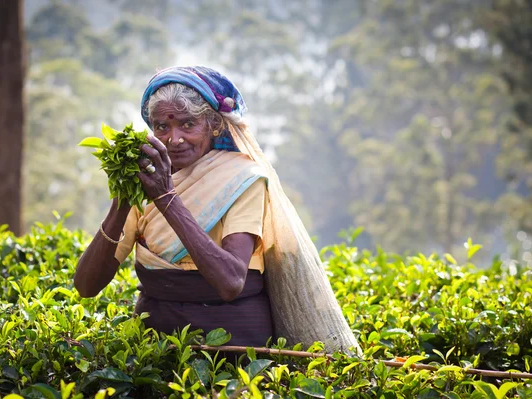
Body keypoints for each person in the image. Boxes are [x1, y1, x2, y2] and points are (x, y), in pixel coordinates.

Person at [75, 66, 361, 354]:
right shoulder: (147, 181)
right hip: (156, 348)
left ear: (213, 125)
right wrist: (122, 200)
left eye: (188, 124)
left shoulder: (241, 179)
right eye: (162, 127)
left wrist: (166, 197)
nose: (174, 139)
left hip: (232, 348)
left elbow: (231, 281)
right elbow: (86, 287)